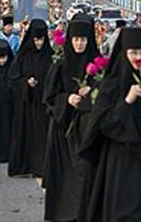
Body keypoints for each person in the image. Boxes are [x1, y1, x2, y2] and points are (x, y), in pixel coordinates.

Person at [79, 27, 141, 221]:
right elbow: (103, 123)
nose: (139, 57)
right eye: (133, 52)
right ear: (123, 53)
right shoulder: (110, 85)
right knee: (122, 210)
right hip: (120, 158)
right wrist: (127, 102)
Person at [42, 20, 99, 222]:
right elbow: (48, 98)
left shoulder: (97, 66)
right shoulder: (60, 64)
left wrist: (92, 90)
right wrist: (67, 98)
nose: (79, 44)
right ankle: (63, 212)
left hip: (87, 129)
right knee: (64, 174)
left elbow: (107, 96)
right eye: (75, 39)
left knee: (85, 172)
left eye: (83, 39)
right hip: (63, 127)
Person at [7, 19, 53, 177]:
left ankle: (42, 167)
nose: (39, 43)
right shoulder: (22, 57)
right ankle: (25, 166)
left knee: (43, 136)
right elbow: (12, 79)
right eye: (36, 39)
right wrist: (26, 82)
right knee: (26, 135)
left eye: (41, 39)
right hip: (26, 103)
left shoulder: (50, 56)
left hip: (44, 103)